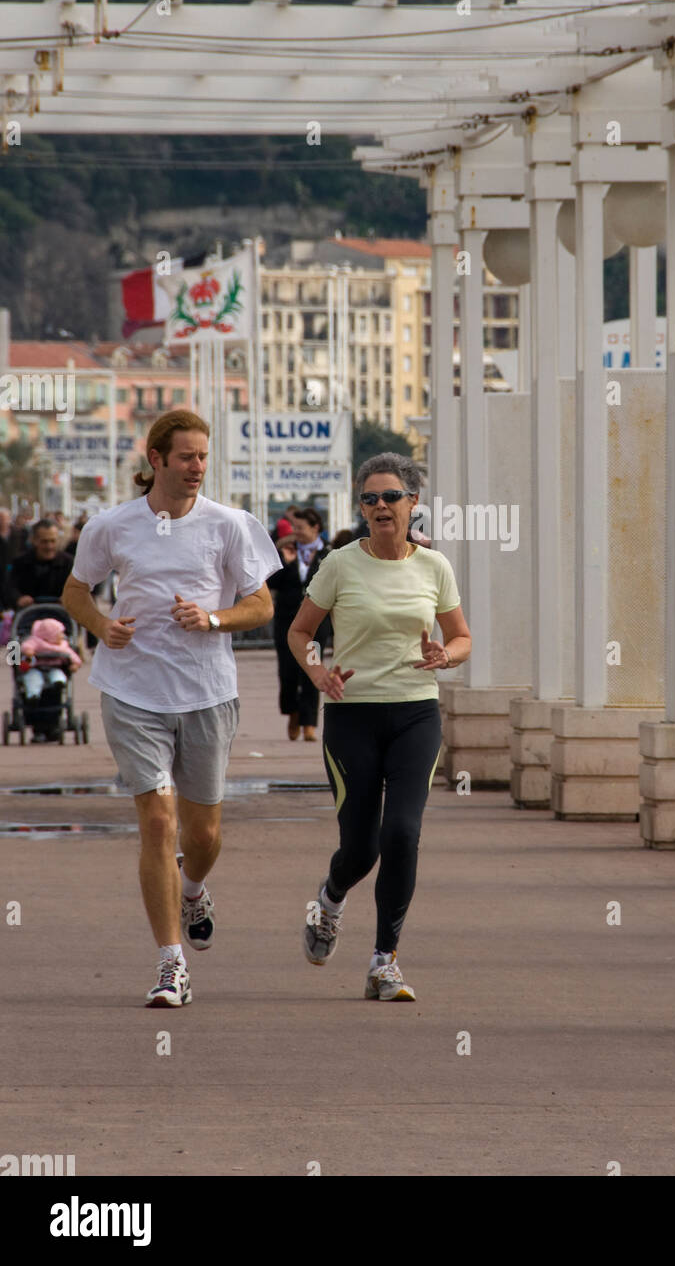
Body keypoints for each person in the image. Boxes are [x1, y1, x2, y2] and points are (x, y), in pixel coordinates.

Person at [61, 410, 281, 1009]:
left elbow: (261, 605)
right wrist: (104, 627)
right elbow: (75, 592)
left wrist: (213, 618)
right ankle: (170, 965)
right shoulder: (111, 526)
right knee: (158, 823)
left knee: (204, 834)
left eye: (204, 457)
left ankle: (194, 888)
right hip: (132, 693)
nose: (197, 468)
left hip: (207, 691)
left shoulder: (230, 525)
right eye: (186, 457)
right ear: (156, 459)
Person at [288, 453, 472, 1002]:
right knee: (361, 849)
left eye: (391, 497)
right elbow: (301, 632)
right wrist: (319, 672)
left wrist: (447, 656)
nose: (381, 506)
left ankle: (384, 960)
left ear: (413, 503)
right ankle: (331, 897)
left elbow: (462, 637)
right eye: (370, 498)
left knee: (404, 833)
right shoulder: (340, 564)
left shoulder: (434, 566)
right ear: (361, 508)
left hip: (416, 712)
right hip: (353, 715)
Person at [267, 506, 332, 742]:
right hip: (287, 619)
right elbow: (270, 582)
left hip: (317, 623)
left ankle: (309, 723)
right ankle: (292, 712)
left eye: (301, 528)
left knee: (312, 670)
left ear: (315, 528)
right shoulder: (286, 550)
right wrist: (283, 561)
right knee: (287, 672)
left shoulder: (329, 554)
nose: (296, 532)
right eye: (294, 528)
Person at [5, 519, 73, 610]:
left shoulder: (68, 562)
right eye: (44, 541)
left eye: (53, 541)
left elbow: (76, 589)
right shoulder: (20, 562)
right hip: (28, 614)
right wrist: (18, 598)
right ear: (34, 540)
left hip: (60, 615)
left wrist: (68, 598)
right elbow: (10, 587)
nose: (49, 546)